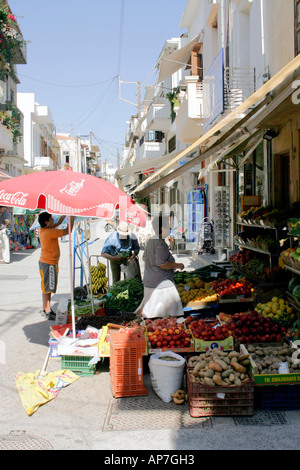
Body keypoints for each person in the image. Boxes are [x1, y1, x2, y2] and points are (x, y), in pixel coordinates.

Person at [142, 214, 184, 319]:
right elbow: (162, 264)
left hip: (150, 280)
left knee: (154, 313)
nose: (170, 229)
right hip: (160, 282)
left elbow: (144, 258)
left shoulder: (152, 240)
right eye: (168, 226)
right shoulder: (159, 243)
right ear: (162, 228)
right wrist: (178, 265)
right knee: (169, 313)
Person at [38, 212, 75, 320]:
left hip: (48, 262)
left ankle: (47, 308)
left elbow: (57, 223)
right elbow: (68, 230)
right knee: (47, 288)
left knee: (48, 287)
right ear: (46, 222)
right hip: (48, 263)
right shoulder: (49, 232)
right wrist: (72, 218)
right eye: (51, 218)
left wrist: (65, 214)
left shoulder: (44, 229)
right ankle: (47, 310)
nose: (53, 219)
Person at [101, 221, 140, 285]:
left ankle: (127, 291)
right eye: (122, 234)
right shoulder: (112, 238)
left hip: (128, 260)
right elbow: (103, 254)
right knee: (116, 280)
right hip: (114, 260)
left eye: (125, 234)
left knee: (128, 279)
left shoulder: (132, 236)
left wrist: (134, 255)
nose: (123, 236)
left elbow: (136, 249)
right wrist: (114, 258)